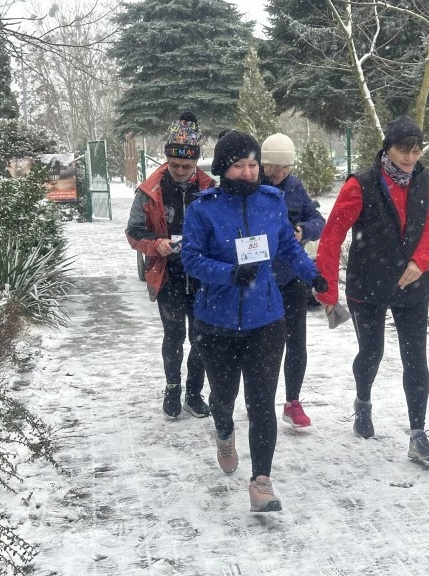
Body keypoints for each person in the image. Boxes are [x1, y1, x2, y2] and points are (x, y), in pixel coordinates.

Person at [181, 130, 328, 513]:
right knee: (224, 397)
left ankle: (261, 481)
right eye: (238, 165)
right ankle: (224, 431)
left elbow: (289, 246)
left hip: (266, 319)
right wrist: (229, 273)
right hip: (217, 323)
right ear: (223, 168)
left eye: (252, 165)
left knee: (261, 401)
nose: (248, 173)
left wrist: (313, 275)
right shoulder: (202, 209)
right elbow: (191, 259)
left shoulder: (272, 202)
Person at [315, 115, 429, 462]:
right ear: (387, 147)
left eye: (416, 150)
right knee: (372, 352)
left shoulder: (421, 179)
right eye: (403, 149)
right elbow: (332, 236)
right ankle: (363, 402)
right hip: (367, 283)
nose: (410, 157)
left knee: (416, 357)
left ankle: (418, 434)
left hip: (411, 283)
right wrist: (327, 290)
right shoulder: (361, 184)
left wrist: (420, 261)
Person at [126, 111, 215, 419]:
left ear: (196, 162)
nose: (180, 171)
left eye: (186, 166)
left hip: (202, 276)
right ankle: (172, 388)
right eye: (174, 165)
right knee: (174, 335)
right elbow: (133, 232)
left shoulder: (209, 189)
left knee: (202, 336)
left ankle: (194, 391)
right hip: (168, 274)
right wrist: (156, 245)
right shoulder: (149, 190)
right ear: (166, 159)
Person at [260, 133, 326, 428]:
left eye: (285, 168)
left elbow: (318, 222)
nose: (279, 174)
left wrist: (304, 231)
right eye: (273, 167)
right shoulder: (252, 187)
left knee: (296, 343)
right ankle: (259, 399)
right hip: (259, 281)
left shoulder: (295, 187)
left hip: (291, 277)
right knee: (263, 345)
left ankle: (293, 401)